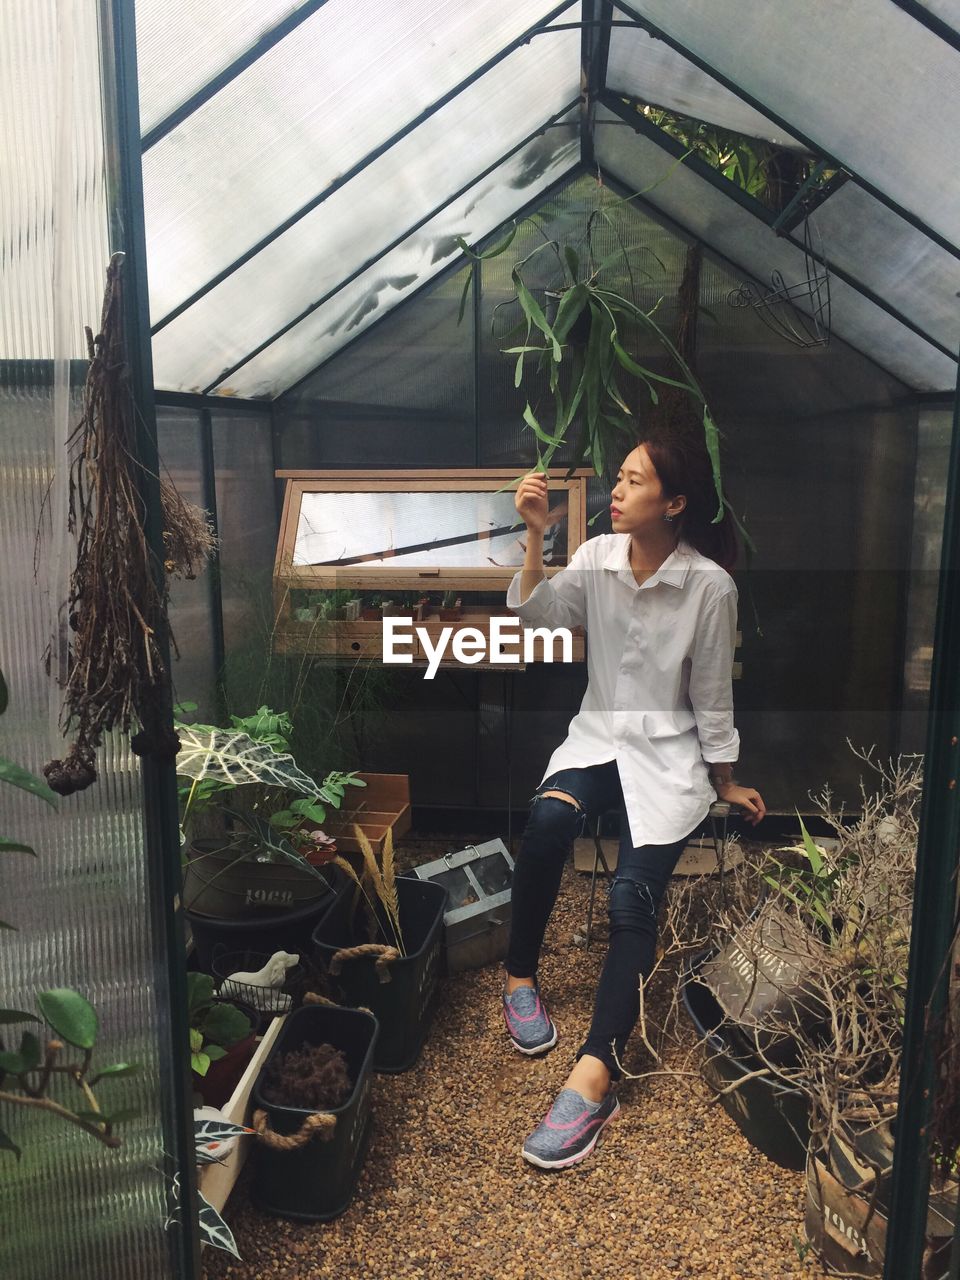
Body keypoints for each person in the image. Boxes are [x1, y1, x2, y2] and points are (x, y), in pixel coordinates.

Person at [502, 431, 766, 1170]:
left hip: (669, 756)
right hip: (598, 738)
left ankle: (595, 1075)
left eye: (632, 481)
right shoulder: (594, 559)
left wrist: (725, 780)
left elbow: (713, 698)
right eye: (617, 478)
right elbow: (537, 619)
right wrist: (535, 537)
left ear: (674, 503)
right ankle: (520, 979)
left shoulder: (709, 586)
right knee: (548, 819)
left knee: (630, 897)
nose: (615, 491)